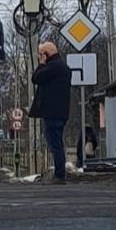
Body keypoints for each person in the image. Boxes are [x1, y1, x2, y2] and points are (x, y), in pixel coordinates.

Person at [29, 41, 73, 183]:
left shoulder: (53, 67)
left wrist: (41, 64)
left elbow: (36, 78)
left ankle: (60, 175)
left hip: (52, 113)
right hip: (60, 112)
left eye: (41, 55)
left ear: (46, 55)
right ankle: (60, 173)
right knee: (57, 142)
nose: (39, 58)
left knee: (55, 144)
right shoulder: (63, 66)